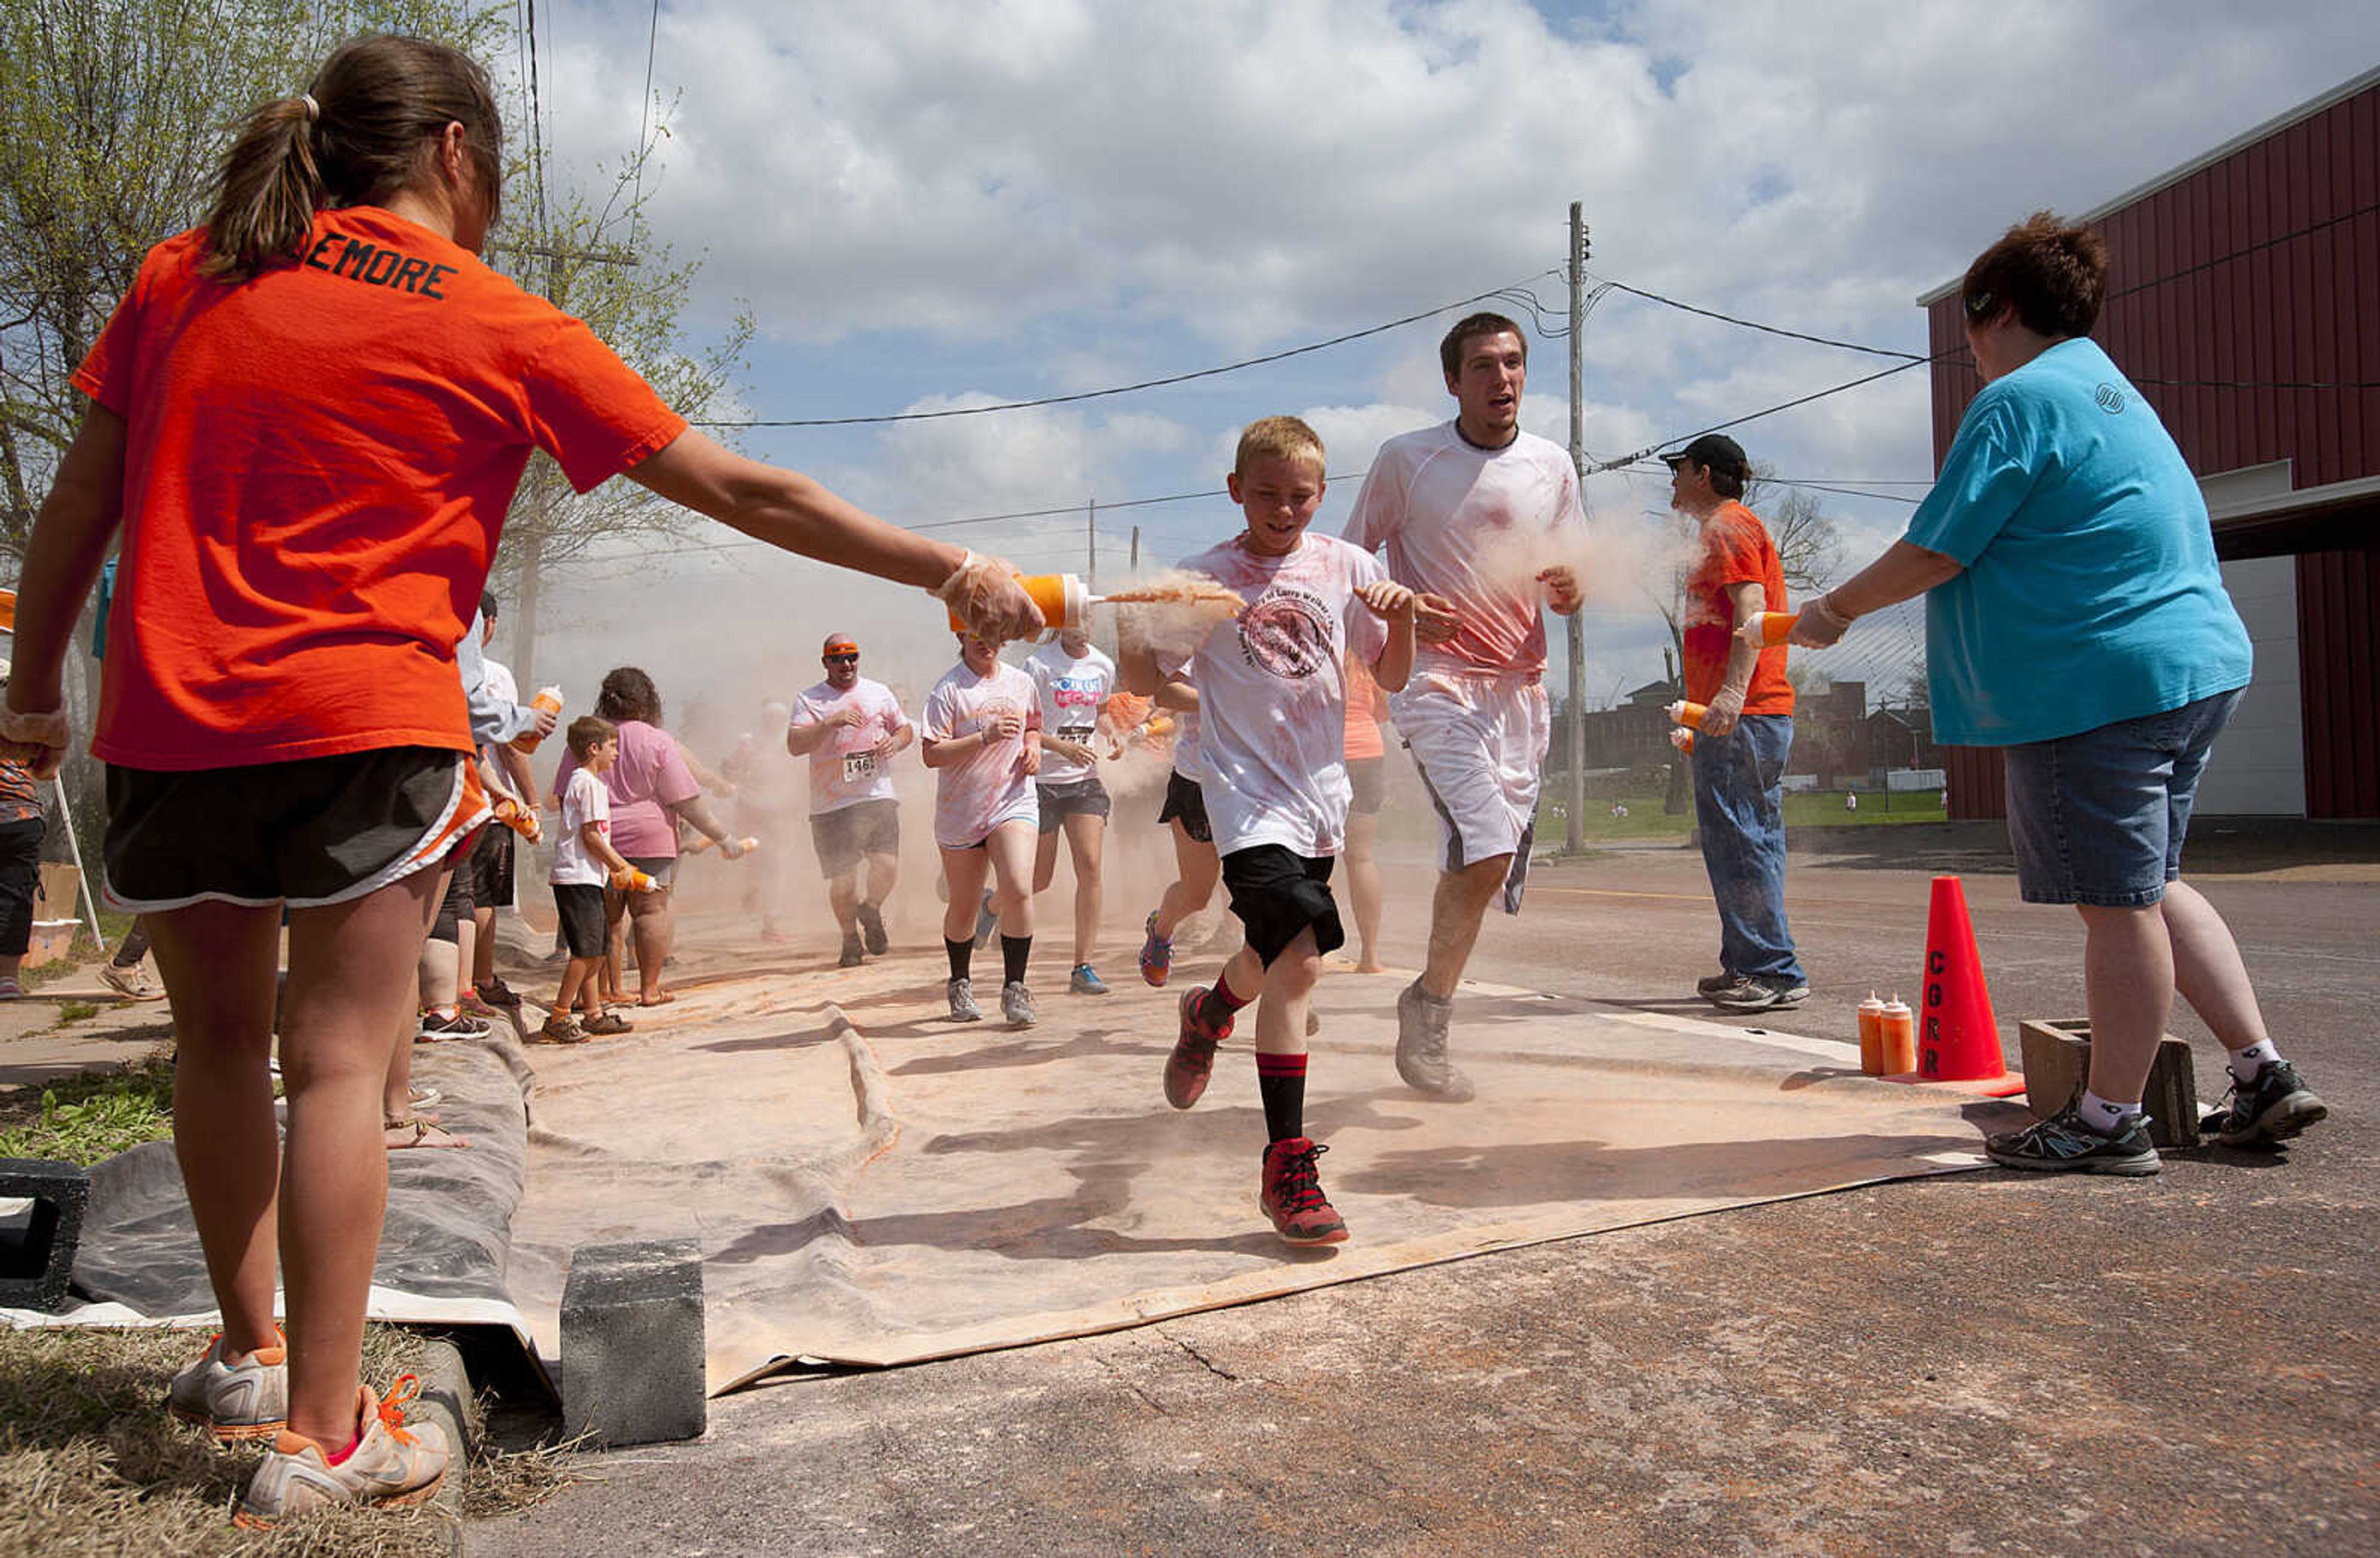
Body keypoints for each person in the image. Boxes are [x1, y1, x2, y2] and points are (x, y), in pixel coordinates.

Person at [0, 34, 1038, 1529]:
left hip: (168, 730)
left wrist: (35, 699)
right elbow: (748, 488)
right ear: (459, 161)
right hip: (365, 725)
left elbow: (77, 505)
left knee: (220, 1049)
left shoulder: (183, 271)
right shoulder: (498, 318)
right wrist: (952, 568)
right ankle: (327, 1432)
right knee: (344, 1065)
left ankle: (246, 1355)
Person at [1773, 211, 2325, 1175]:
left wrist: (1834, 610)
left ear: (1998, 311)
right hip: (2193, 668)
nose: (1971, 350)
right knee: (2151, 885)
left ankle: (2110, 1122)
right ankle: (2262, 1070)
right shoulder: (2112, 392)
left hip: (2097, 682)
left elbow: (1941, 545)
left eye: (1971, 324)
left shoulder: (2019, 399)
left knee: (2117, 904)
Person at [1124, 415, 1416, 1245]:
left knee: (1272, 956)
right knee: (1300, 963)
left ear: (1321, 496)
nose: (1283, 511)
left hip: (1320, 795)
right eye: (1266, 495)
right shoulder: (1207, 578)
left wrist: (1406, 619)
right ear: (1235, 491)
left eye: (1299, 497)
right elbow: (1148, 681)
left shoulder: (1348, 566)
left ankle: (1210, 1012)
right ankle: (1286, 1164)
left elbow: (1390, 673)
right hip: (1245, 798)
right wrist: (1132, 626)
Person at [1342, 312, 1586, 1101]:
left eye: (1513, 363)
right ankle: (1434, 1014)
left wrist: (1571, 584)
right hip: (1436, 680)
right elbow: (1349, 563)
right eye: (1483, 366)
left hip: (1520, 688)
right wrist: (1403, 607)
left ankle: (1427, 995)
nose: (1502, 379)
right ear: (1453, 381)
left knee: (1488, 859)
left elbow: (1574, 582)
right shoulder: (1407, 459)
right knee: (1485, 845)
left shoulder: (1553, 464)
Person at [1662, 433, 1809, 1013]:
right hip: (1745, 713)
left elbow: (1751, 612)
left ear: (1703, 473)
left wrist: (1728, 694)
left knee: (1739, 842)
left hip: (1744, 713)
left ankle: (1772, 970)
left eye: (1679, 469)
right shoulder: (1727, 528)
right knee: (1746, 839)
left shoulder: (1726, 527)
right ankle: (1748, 963)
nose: (1672, 479)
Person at [552, 668, 751, 1007]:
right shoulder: (659, 741)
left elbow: (562, 794)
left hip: (600, 842)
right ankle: (649, 989)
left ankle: (605, 991)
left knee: (609, 920)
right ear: (646, 705)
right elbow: (686, 802)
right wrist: (724, 838)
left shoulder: (585, 739)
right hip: (652, 840)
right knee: (651, 912)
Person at [922, 631, 1041, 1026]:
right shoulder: (948, 689)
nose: (985, 641)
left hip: (1013, 800)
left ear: (1003, 637)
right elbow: (931, 753)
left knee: (1019, 888)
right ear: (959, 634)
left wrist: (1034, 746)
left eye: (991, 633)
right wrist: (983, 737)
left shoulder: (1022, 682)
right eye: (976, 633)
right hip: (962, 810)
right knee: (965, 905)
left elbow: (1034, 724)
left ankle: (1015, 989)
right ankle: (959, 981)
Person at [786, 634, 912, 967]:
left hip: (876, 794)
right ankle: (849, 938)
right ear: (825, 663)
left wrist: (895, 744)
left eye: (852, 657)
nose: (846, 664)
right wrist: (829, 723)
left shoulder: (878, 692)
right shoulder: (810, 699)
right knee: (843, 881)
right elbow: (796, 745)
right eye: (838, 658)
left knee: (887, 866)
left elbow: (905, 730)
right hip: (832, 804)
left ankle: (870, 909)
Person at [1026, 626, 1118, 994]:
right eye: (1072, 622)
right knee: (1038, 880)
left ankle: (1083, 966)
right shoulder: (1038, 664)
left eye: (1086, 621)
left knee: (1091, 866)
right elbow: (1026, 726)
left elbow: (1101, 713)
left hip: (1085, 781)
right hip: (1042, 781)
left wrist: (1112, 734)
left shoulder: (1102, 665)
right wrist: (1062, 748)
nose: (1080, 630)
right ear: (1060, 625)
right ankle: (993, 903)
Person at [467, 593, 542, 1010]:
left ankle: (457, 984)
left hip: (451, 800)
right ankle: (479, 979)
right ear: (489, 623)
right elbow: (511, 746)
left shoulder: (437, 664)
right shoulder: (493, 673)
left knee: (457, 896)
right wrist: (529, 800)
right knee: (483, 898)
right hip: (491, 805)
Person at [542, 717, 637, 1043]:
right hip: (578, 877)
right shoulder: (591, 785)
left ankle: (593, 1013)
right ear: (593, 748)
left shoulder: (581, 781)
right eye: (612, 747)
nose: (616, 754)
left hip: (584, 876)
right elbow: (592, 836)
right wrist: (621, 866)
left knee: (594, 950)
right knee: (585, 953)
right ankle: (560, 1014)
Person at [1134, 670, 1219, 987]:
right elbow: (1166, 695)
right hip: (1197, 780)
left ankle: (1287, 987)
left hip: (1255, 781)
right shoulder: (1199, 633)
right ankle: (1161, 930)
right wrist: (1226, 702)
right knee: (1197, 896)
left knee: (1261, 888)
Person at [721, 699, 801, 942]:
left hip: (779, 810)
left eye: (778, 718)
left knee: (777, 864)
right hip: (752, 808)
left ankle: (771, 921)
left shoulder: (791, 740)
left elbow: (802, 774)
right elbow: (728, 768)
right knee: (756, 858)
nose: (774, 722)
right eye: (770, 718)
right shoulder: (748, 741)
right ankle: (754, 890)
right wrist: (733, 780)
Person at [1340, 650, 1392, 973]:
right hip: (1369, 754)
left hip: (1326, 755)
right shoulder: (1366, 656)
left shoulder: (1316, 647)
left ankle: (1317, 951)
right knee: (1361, 857)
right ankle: (1371, 955)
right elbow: (1384, 709)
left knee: (1316, 857)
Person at [0, 665, 40, 1001]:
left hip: (17, 817)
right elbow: (44, 768)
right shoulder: (22, 718)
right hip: (21, 816)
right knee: (16, 896)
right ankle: (8, 978)